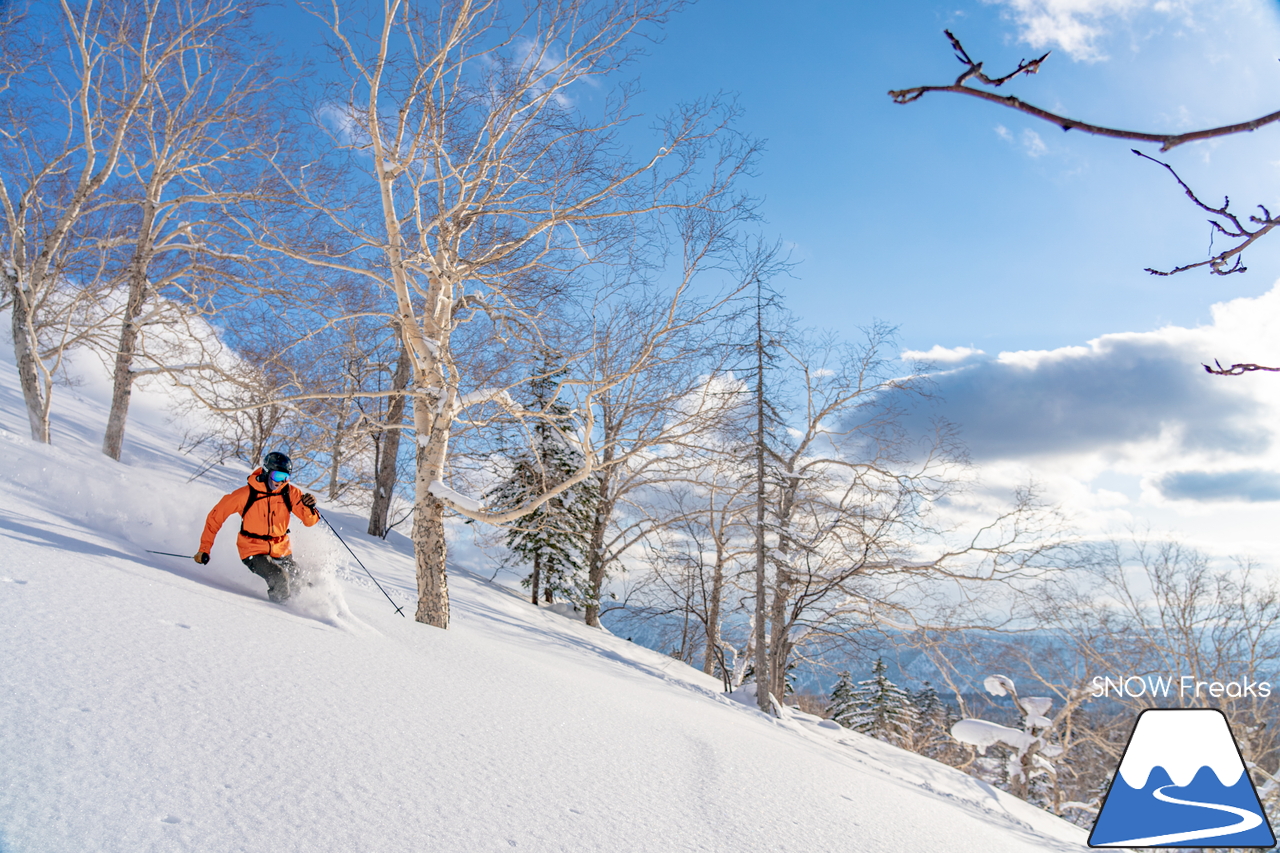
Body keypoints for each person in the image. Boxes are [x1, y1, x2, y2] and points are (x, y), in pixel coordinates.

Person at [193, 451, 320, 602]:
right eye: (278, 476)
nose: (281, 482)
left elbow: (309, 521)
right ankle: (281, 613)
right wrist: (204, 549)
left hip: (280, 548)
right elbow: (215, 517)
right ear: (267, 472)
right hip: (253, 549)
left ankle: (312, 609)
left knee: (300, 580)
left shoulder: (289, 493)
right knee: (280, 578)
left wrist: (308, 507)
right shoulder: (245, 495)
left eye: (286, 477)